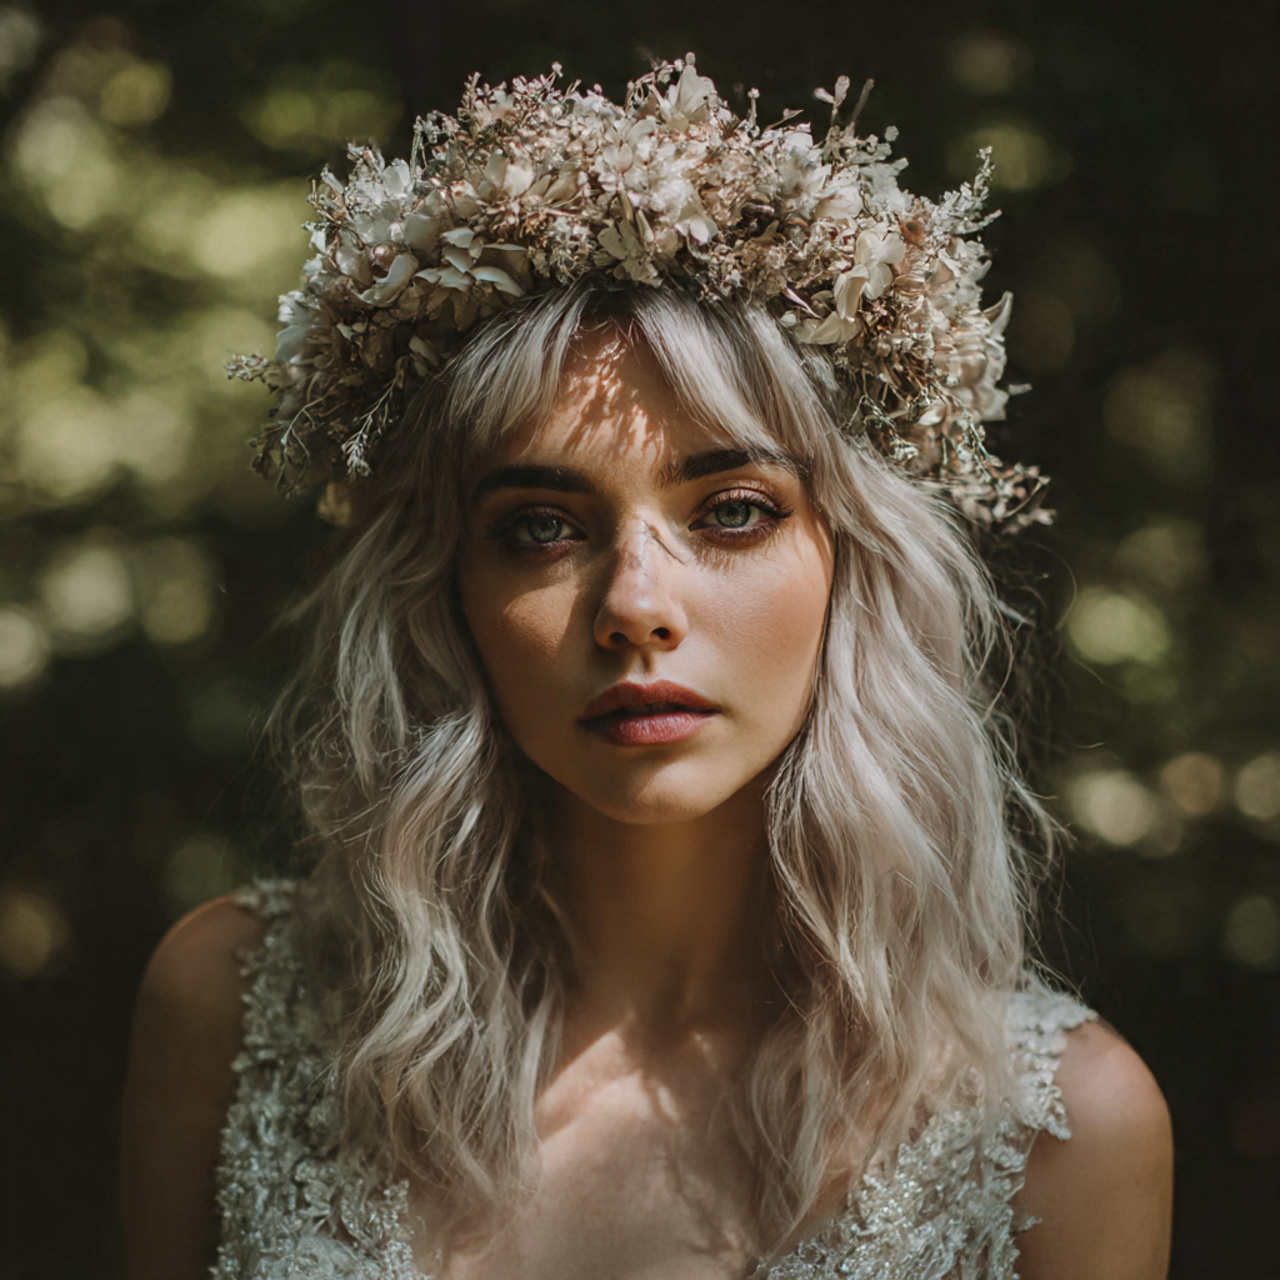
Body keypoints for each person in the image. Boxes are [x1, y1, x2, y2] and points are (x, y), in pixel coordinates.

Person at [119, 59, 1173, 1280]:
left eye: (729, 510)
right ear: (446, 591)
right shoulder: (226, 1001)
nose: (634, 608)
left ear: (852, 560)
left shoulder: (1062, 1128)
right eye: (540, 526)